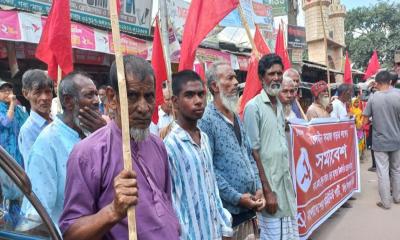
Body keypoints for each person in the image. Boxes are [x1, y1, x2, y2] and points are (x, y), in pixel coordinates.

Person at [59, 55, 179, 240]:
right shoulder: (88, 153)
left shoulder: (158, 146)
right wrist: (113, 211)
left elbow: (166, 206)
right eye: (131, 96)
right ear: (111, 98)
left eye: (149, 96)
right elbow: (71, 234)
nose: (143, 107)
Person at [22, 72, 106, 226]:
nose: (96, 101)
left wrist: (104, 135)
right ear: (68, 101)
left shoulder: (94, 133)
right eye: (89, 95)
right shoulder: (47, 143)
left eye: (96, 95)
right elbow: (38, 214)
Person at [164, 70, 233, 239]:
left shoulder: (205, 139)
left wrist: (224, 226)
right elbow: (173, 203)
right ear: (175, 102)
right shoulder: (170, 146)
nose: (198, 101)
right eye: (189, 95)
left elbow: (212, 189)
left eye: (201, 94)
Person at [199, 62, 264, 239]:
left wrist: (258, 187)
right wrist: (236, 197)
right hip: (229, 217)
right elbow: (208, 169)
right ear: (214, 86)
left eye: (236, 77)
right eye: (230, 78)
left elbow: (249, 154)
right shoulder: (206, 120)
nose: (236, 82)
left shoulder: (235, 116)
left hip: (249, 210)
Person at [243, 54, 298, 240]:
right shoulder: (253, 107)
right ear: (261, 77)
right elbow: (253, 152)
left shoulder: (280, 105)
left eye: (279, 73)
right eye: (271, 73)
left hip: (285, 187)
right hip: (270, 190)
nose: (276, 78)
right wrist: (267, 191)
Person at [363, 70, 400, 210]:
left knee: (383, 171)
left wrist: (368, 122)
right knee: (396, 169)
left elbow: (365, 120)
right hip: (397, 139)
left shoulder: (373, 98)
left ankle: (386, 202)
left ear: (377, 83)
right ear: (390, 82)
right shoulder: (398, 95)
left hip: (380, 142)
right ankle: (397, 197)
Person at [0, 79, 28, 227]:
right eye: (3, 91)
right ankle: (6, 223)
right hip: (4, 158)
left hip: (17, 155)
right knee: (7, 189)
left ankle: (14, 221)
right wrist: (12, 104)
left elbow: (27, 122)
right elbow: (5, 122)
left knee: (18, 187)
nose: (7, 93)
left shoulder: (18, 109)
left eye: (9, 90)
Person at [18, 69, 53, 167]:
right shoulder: (28, 131)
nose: (45, 98)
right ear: (25, 94)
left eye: (48, 92)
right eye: (38, 93)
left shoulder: (56, 121)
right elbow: (36, 170)